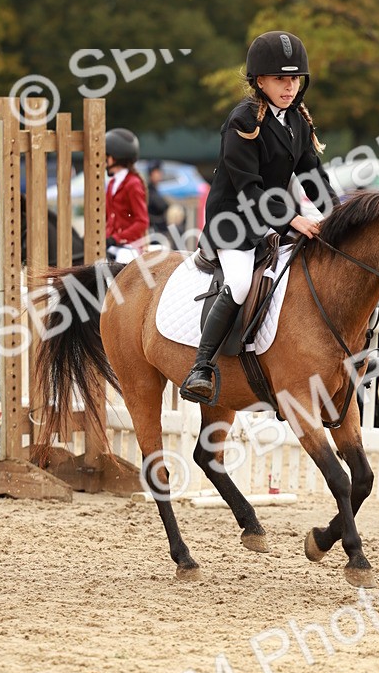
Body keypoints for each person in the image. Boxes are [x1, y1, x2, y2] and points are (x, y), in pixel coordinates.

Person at [180, 30, 339, 402]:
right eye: (281, 79)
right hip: (233, 221)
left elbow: (313, 174)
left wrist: (337, 214)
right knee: (238, 282)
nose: (289, 86)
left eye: (295, 79)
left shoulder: (297, 120)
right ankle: (201, 367)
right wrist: (292, 221)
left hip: (272, 215)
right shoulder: (243, 120)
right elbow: (249, 189)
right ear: (260, 81)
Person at [105, 128, 149, 263]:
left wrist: (117, 238)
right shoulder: (112, 183)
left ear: (113, 158)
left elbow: (142, 221)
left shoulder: (133, 183)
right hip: (112, 245)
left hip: (129, 246)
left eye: (105, 157)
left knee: (122, 260)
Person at [146, 161, 177, 250]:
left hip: (159, 231)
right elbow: (161, 206)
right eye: (156, 172)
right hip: (153, 233)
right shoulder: (149, 191)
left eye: (159, 172)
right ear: (151, 174)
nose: (159, 174)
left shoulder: (155, 190)